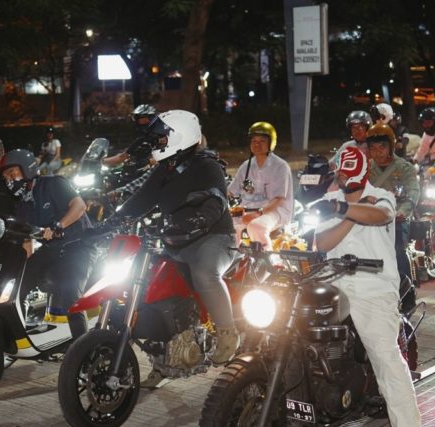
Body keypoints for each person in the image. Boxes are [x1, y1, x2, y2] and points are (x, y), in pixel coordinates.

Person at [312, 147, 427, 427]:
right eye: (340, 172)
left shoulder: (382, 196)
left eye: (348, 172)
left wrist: (344, 210)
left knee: (385, 354)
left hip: (373, 286)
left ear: (362, 173)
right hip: (333, 282)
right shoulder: (330, 200)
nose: (342, 176)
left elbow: (381, 216)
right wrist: (348, 212)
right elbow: (323, 241)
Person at [114, 109, 239, 365]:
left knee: (204, 273)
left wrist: (200, 220)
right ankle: (164, 359)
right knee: (148, 284)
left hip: (213, 237)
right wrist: (108, 222)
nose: (158, 142)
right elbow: (140, 201)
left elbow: (217, 201)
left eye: (162, 137)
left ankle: (228, 333)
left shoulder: (207, 165)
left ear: (180, 136)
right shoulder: (165, 168)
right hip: (175, 239)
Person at [0, 149, 95, 340]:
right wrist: (24, 268)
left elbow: (79, 206)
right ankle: (18, 338)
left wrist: (59, 225)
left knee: (70, 296)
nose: (9, 180)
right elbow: (27, 241)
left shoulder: (53, 184)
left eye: (12, 173)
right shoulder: (22, 204)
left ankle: (83, 348)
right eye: (6, 178)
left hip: (79, 245)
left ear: (26, 169)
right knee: (17, 288)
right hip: (52, 249)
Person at [365, 124, 419, 310]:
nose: (377, 152)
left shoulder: (404, 167)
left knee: (397, 251)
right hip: (369, 219)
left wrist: (403, 211)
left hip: (396, 219)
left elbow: (413, 192)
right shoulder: (365, 168)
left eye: (382, 147)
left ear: (391, 146)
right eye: (373, 148)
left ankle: (407, 293)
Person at [226, 121, 295, 248]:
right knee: (227, 228)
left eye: (262, 141)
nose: (256, 144)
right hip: (248, 211)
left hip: (275, 212)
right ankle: (235, 258)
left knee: (256, 226)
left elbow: (278, 199)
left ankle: (266, 258)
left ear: (271, 143)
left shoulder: (280, 166)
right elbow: (231, 191)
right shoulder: (246, 166)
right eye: (254, 141)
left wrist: (258, 213)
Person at [102, 104, 159, 169]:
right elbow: (122, 157)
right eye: (138, 120)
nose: (140, 123)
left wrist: (149, 162)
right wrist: (101, 161)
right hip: (142, 171)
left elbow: (159, 159)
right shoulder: (142, 139)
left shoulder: (161, 137)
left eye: (143, 120)